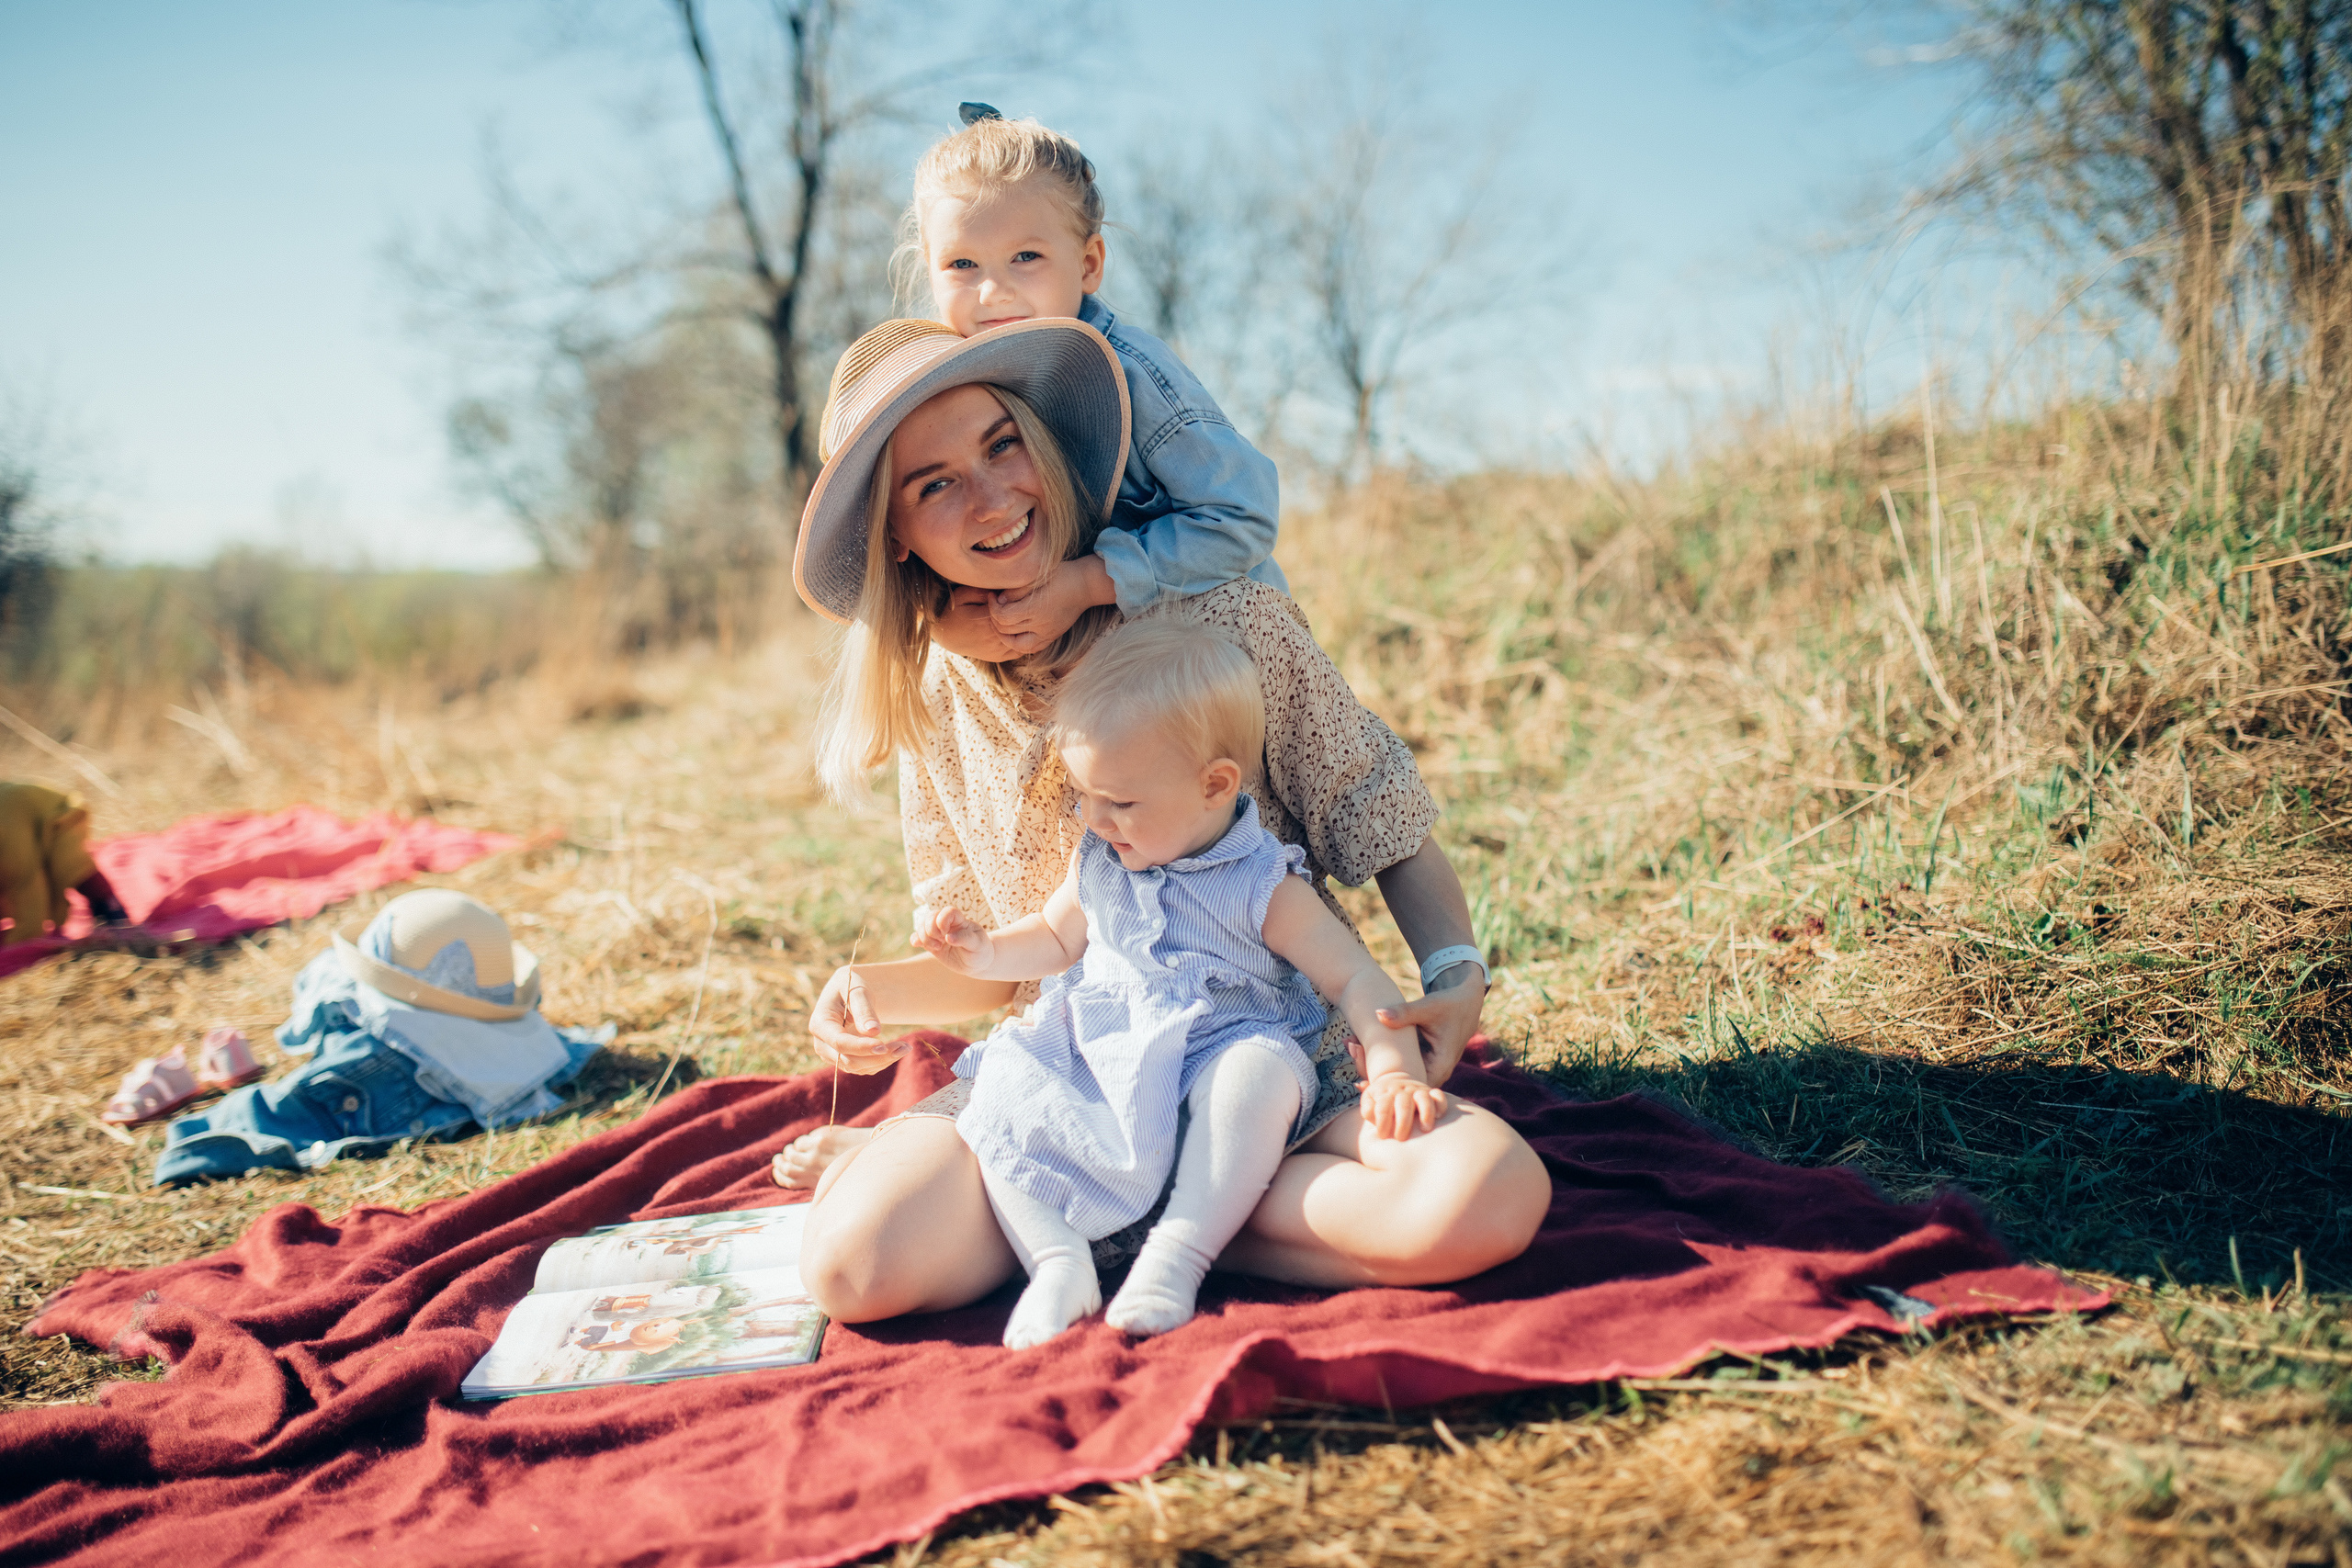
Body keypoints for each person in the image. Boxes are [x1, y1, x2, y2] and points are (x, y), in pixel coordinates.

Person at [779, 314, 1550, 1325]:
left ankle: (1155, 1221)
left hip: (1270, 1070)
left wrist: (1453, 975)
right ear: (895, 534)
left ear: (1044, 443)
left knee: (1484, 1194)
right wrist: (873, 989)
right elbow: (1006, 959)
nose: (993, 496)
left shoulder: (1221, 622)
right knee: (851, 1267)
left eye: (1002, 445)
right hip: (1072, 1091)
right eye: (934, 485)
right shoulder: (937, 698)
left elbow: (1382, 818)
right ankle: (1157, 1214)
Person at [911, 619, 1450, 1346]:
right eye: (1084, 794)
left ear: (1214, 785)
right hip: (1107, 1050)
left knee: (1255, 1078)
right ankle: (1057, 1262)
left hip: (1220, 1046)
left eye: (1120, 801)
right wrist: (982, 951)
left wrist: (1395, 1069)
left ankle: (1178, 1254)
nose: (1095, 818)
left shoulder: (1261, 881)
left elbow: (1357, 976)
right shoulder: (1099, 856)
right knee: (1005, 1091)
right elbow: (1054, 938)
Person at [902, 105, 1285, 662]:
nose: (992, 292)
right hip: (1104, 661)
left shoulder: (1134, 375)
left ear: (1087, 264)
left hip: (1219, 647)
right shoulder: (954, 387)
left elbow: (1243, 516)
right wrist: (943, 620)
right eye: (962, 264)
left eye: (1025, 256)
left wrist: (1087, 583)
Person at [0, 781, 130, 946]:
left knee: (73, 867)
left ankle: (111, 908)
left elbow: (29, 894)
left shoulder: (12, 850)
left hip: (57, 815)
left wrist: (18, 945)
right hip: (20, 815)